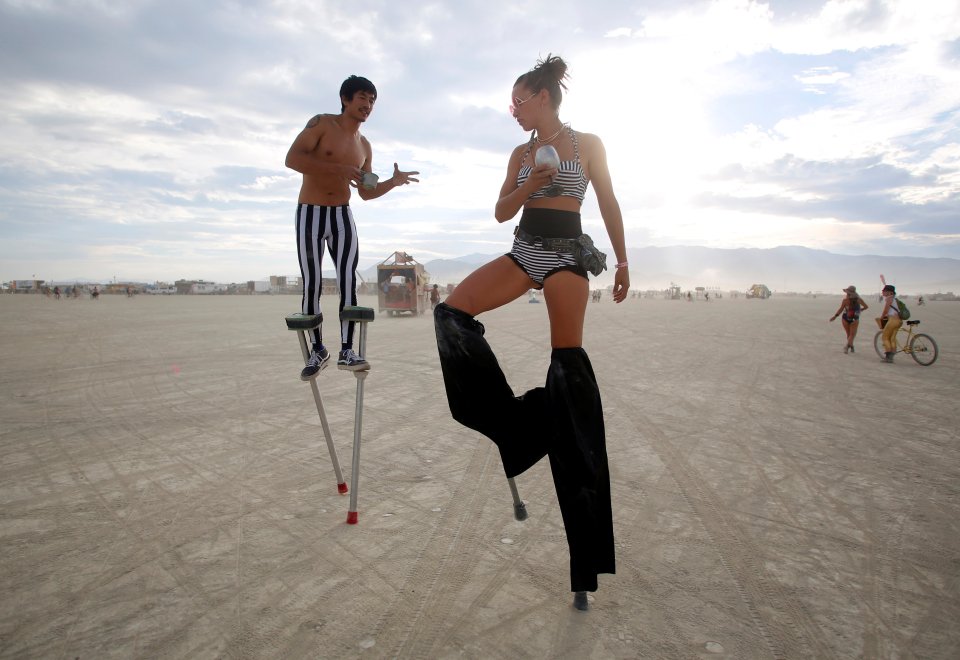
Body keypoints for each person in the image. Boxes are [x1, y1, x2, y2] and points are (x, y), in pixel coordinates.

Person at [433, 55, 629, 612]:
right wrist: (531, 182)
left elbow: (608, 201)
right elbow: (500, 211)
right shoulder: (520, 153)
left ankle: (583, 564)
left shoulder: (588, 143)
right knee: (451, 316)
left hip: (568, 253)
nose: (513, 109)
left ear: (542, 96)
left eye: (519, 100)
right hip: (524, 248)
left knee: (569, 372)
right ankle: (520, 428)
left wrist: (621, 261)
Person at [285, 75, 419, 378]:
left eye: (372, 100)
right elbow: (292, 159)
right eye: (363, 97)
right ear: (346, 99)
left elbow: (366, 192)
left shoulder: (365, 146)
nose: (368, 105)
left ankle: (347, 349)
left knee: (347, 279)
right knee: (313, 280)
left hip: (343, 215)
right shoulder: (321, 124)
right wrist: (340, 168)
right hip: (310, 212)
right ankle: (317, 349)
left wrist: (393, 183)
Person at [829, 285, 868, 353]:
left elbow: (841, 309)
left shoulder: (845, 300)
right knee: (852, 335)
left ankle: (849, 346)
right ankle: (849, 346)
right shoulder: (859, 300)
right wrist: (861, 310)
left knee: (848, 334)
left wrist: (835, 316)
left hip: (845, 317)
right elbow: (866, 307)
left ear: (847, 293)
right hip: (855, 318)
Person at [878, 284, 901, 363]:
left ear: (889, 292)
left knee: (885, 337)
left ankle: (888, 357)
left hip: (893, 321)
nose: (882, 292)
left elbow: (886, 310)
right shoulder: (894, 299)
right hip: (898, 321)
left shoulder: (889, 299)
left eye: (884, 291)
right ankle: (892, 354)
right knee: (892, 338)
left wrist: (882, 317)